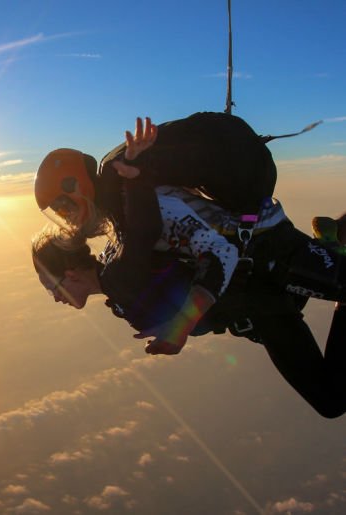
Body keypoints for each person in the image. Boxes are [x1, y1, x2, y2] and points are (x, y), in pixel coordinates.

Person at [31, 187, 346, 418]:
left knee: (330, 398)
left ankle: (331, 250)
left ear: (70, 274)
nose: (56, 298)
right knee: (329, 397)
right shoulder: (115, 269)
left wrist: (180, 327)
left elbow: (149, 235)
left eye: (51, 288)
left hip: (263, 288)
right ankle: (329, 245)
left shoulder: (122, 275)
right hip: (259, 305)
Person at [34, 113, 278, 241]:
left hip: (246, 177)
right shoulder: (111, 170)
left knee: (243, 244)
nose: (69, 218)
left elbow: (145, 237)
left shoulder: (117, 188)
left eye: (63, 207)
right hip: (241, 151)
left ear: (75, 185)